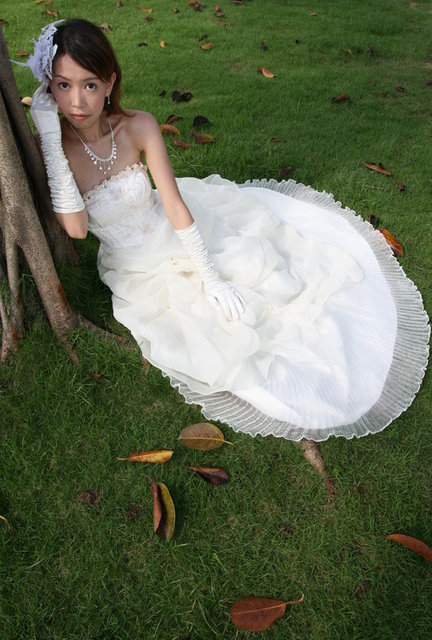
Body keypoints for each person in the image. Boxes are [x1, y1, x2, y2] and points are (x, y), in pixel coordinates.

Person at [23, 19, 429, 442]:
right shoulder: (52, 148)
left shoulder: (138, 126)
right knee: (208, 332)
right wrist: (49, 136)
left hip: (177, 230)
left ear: (109, 83)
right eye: (63, 85)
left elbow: (174, 206)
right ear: (48, 88)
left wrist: (211, 276)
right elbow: (76, 229)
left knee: (261, 277)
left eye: (89, 85)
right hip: (134, 268)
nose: (76, 101)